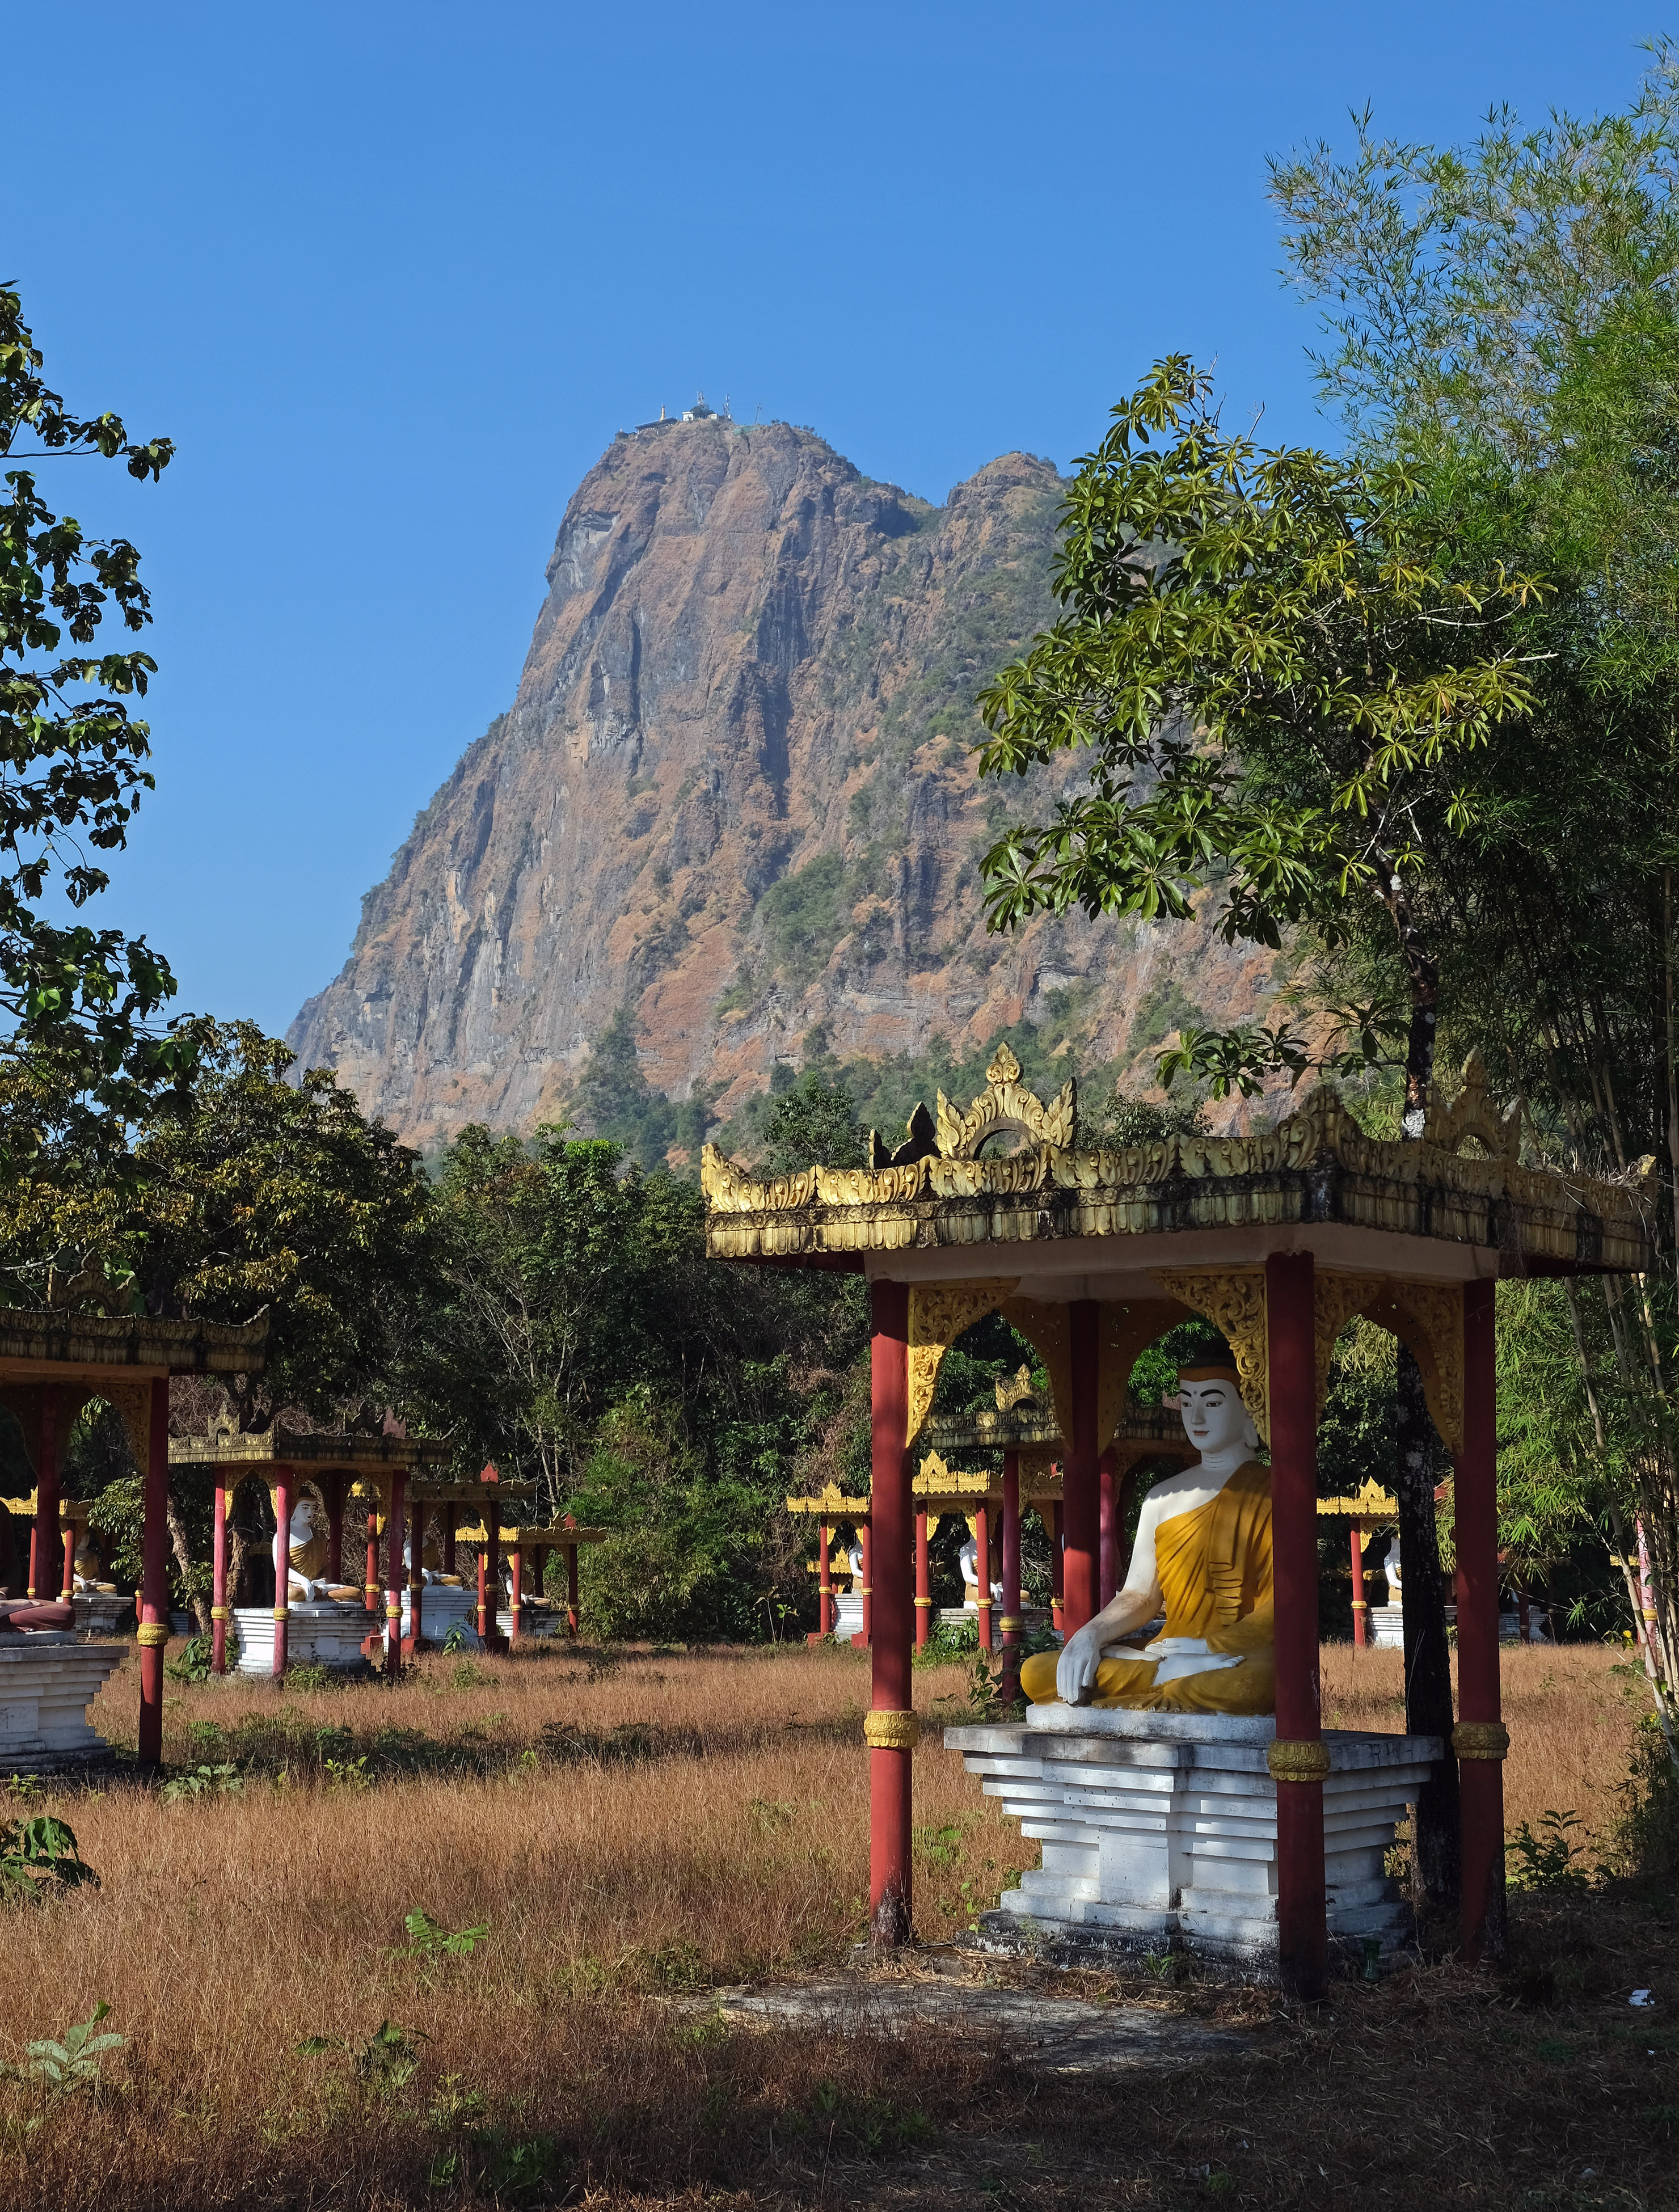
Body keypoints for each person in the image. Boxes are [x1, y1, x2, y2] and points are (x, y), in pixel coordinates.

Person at [1019, 1353, 1273, 1716]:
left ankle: (1170, 1676)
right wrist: (1090, 1634)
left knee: (1252, 1684)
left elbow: (1284, 1605)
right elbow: (1140, 1595)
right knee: (1038, 1672)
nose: (1196, 1417)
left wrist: (1207, 1648)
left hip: (1231, 1654)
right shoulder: (1161, 1497)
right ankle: (1168, 1678)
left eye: (1213, 1402)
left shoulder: (1270, 1492)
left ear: (1250, 1408)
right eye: (1187, 1402)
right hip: (1168, 1652)